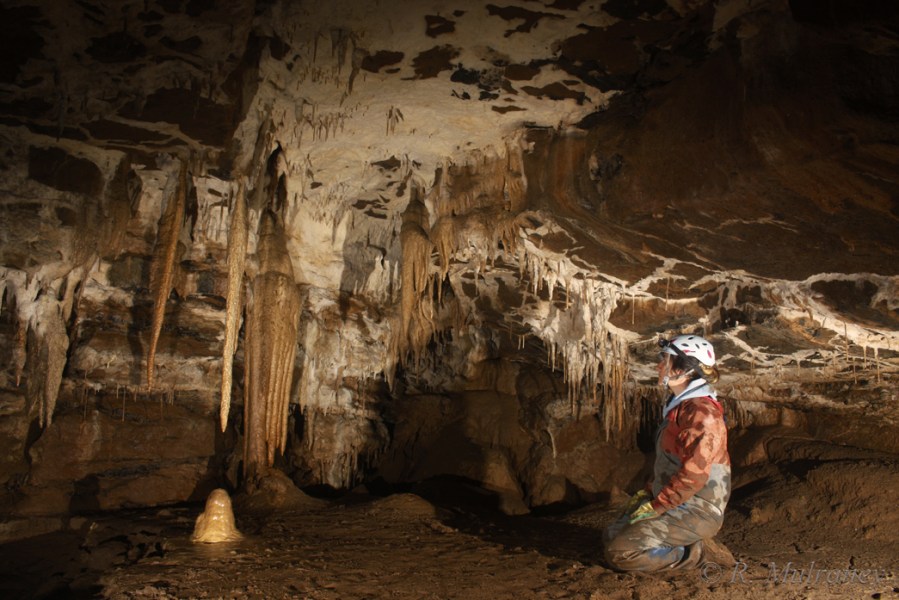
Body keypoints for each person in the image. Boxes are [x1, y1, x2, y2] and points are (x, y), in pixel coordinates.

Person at [603, 334, 731, 571]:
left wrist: (657, 506)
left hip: (698, 508)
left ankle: (697, 554)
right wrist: (649, 493)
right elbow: (670, 462)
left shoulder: (703, 414)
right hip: (675, 500)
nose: (659, 366)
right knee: (611, 535)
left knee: (621, 552)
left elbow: (694, 476)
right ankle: (678, 542)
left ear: (685, 368)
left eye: (666, 360)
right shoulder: (680, 407)